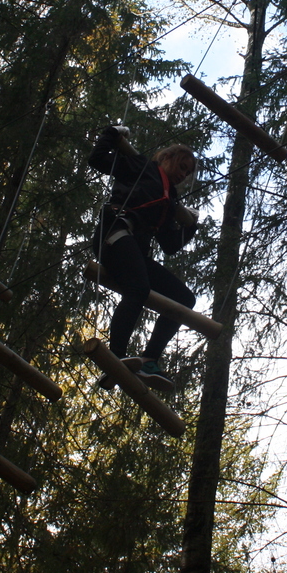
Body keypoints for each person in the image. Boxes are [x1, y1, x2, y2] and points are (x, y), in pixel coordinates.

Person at [89, 124, 198, 391]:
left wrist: (190, 227)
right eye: (181, 166)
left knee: (184, 299)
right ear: (167, 158)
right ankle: (115, 356)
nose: (183, 175)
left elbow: (170, 245)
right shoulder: (142, 168)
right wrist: (111, 133)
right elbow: (97, 160)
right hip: (115, 233)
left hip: (135, 249)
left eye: (188, 172)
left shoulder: (169, 199)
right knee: (138, 289)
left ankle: (149, 359)